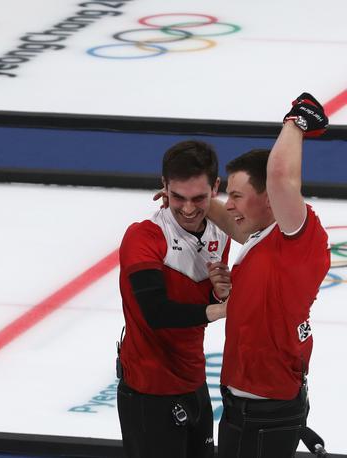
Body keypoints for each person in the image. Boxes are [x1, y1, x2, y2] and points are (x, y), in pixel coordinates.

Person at [205, 93, 330, 457]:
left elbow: (279, 175)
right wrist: (191, 199)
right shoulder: (264, 236)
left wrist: (297, 120)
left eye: (238, 196)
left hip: (268, 414)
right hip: (236, 405)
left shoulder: (300, 238)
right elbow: (234, 223)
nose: (229, 203)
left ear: (271, 199)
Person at [117, 140, 231, 458]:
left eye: (199, 198)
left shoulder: (220, 234)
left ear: (215, 188)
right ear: (164, 186)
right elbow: (156, 311)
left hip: (194, 381)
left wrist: (219, 293)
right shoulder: (144, 236)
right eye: (178, 197)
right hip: (148, 388)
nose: (188, 209)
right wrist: (219, 309)